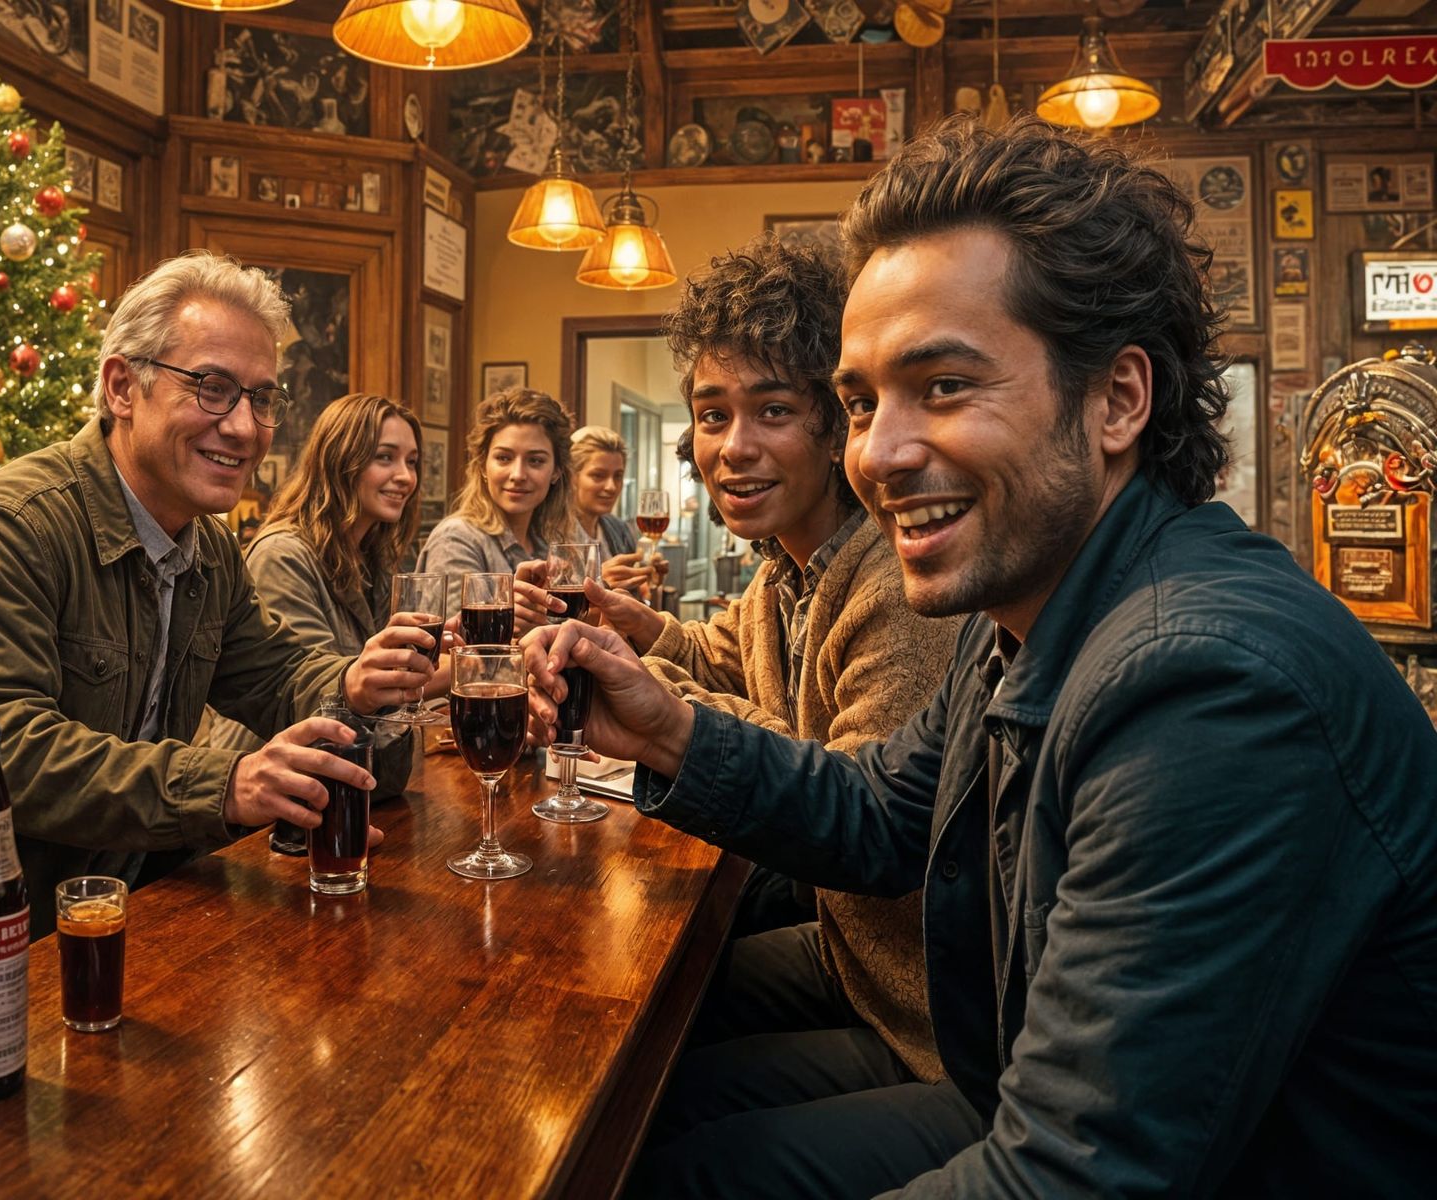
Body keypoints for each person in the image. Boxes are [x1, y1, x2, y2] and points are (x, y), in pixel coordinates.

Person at [524, 115, 1437, 1196]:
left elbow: (1073, 1174)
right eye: (861, 402)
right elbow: (877, 814)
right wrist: (668, 729)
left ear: (1116, 398)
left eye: (944, 387)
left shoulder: (1208, 684)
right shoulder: (1034, 611)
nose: (880, 453)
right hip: (990, 1062)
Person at [0, 251, 431, 1012]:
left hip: (132, 906)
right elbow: (4, 757)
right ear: (122, 387)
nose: (244, 426)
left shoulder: (209, 548)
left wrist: (352, 683)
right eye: (213, 388)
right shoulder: (2, 529)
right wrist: (225, 784)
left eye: (262, 398)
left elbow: (269, 675)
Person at [581, 233, 962, 1140]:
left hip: (919, 1002)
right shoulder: (783, 572)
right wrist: (646, 633)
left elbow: (851, 807)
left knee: (644, 1096)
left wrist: (662, 707)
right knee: (618, 1015)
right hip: (855, 947)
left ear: (836, 428)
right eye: (712, 417)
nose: (734, 448)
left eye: (773, 411)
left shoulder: (895, 582)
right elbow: (736, 657)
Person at [204, 393, 436, 804]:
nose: (405, 476)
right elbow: (322, 713)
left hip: (343, 795)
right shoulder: (283, 556)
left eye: (412, 462)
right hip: (264, 812)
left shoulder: (376, 560)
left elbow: (382, 738)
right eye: (385, 457)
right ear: (340, 461)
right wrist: (476, 671)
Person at [416, 386, 575, 624]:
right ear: (482, 465)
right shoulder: (456, 539)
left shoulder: (550, 539)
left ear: (556, 471)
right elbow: (449, 647)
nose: (518, 474)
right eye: (504, 458)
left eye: (535, 460)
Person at [566, 424, 665, 595]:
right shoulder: (549, 535)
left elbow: (636, 597)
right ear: (572, 476)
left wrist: (648, 580)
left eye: (618, 476)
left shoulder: (619, 529)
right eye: (598, 475)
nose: (611, 487)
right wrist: (598, 582)